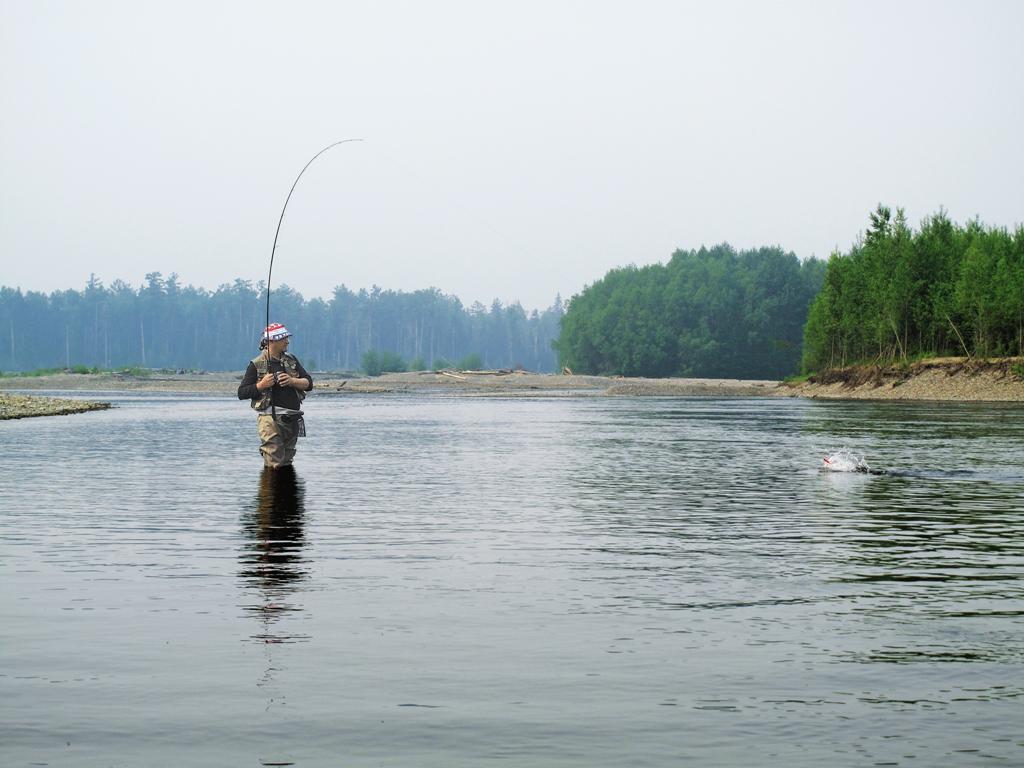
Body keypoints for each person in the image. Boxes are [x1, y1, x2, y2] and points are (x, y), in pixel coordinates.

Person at [238, 323, 313, 468]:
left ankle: (282, 490)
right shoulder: (256, 364)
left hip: (292, 418)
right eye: (284, 338)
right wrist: (262, 385)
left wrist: (292, 381)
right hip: (269, 420)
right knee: (274, 463)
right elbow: (242, 393)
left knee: (286, 461)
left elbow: (308, 383)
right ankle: (272, 489)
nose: (287, 341)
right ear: (272, 341)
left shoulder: (291, 360)